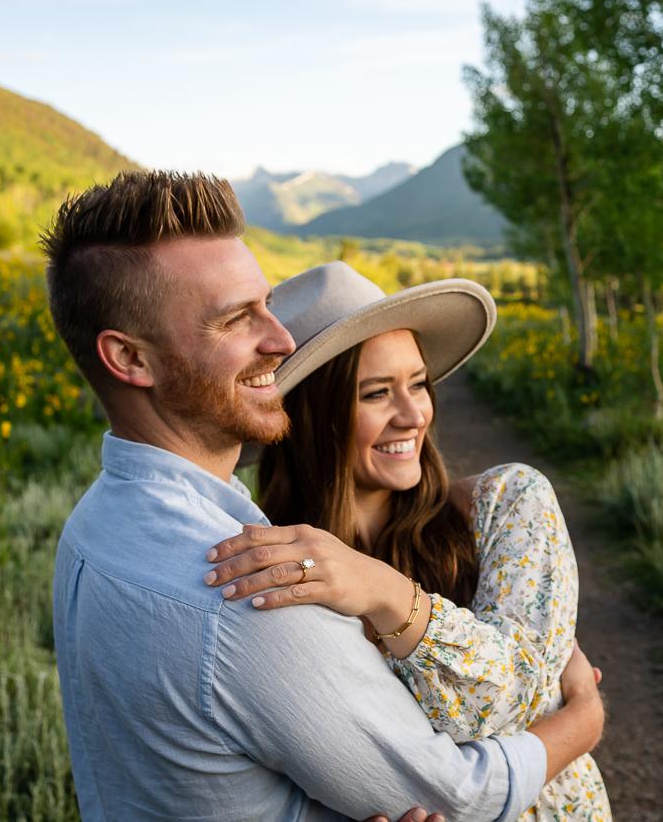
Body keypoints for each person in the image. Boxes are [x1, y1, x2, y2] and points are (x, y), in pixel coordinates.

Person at [43, 170, 604, 822]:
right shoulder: (258, 584)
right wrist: (584, 720)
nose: (279, 343)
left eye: (419, 384)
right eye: (236, 318)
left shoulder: (91, 530)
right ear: (130, 359)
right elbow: (455, 794)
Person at [201, 261, 613, 821]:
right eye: (376, 394)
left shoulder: (508, 503)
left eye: (418, 383)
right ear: (310, 416)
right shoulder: (276, 568)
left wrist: (385, 592)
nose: (414, 413)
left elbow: (511, 699)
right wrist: (580, 719)